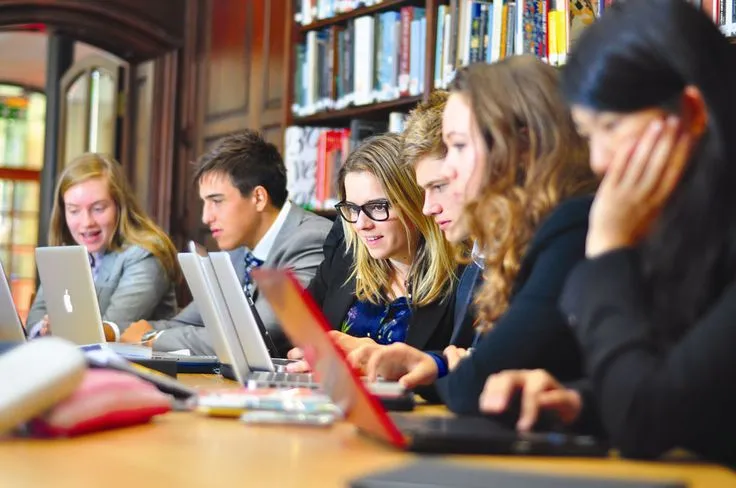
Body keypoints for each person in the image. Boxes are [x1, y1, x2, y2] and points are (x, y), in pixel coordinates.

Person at [480, 0, 736, 466]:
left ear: (692, 113)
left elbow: (647, 420)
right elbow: (692, 393)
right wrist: (581, 402)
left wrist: (606, 254)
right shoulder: (687, 221)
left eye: (612, 127)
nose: (598, 160)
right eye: (587, 133)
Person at [360, 57, 598, 418]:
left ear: (518, 145)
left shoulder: (571, 228)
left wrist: (455, 370)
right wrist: (440, 365)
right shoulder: (527, 237)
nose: (452, 170)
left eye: (458, 146)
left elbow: (476, 384)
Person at [120, 130, 332, 356]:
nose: (205, 217)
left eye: (216, 201)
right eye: (205, 203)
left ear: (258, 198)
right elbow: (190, 323)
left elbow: (257, 335)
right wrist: (113, 331)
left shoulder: (310, 239)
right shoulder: (240, 251)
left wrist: (152, 338)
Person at [288, 133, 459, 372]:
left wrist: (368, 352)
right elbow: (299, 330)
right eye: (352, 209)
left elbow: (465, 362)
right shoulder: (345, 253)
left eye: (378, 207)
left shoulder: (463, 274)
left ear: (415, 202)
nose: (360, 224)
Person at [27, 153, 178, 340]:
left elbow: (108, 331)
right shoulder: (66, 253)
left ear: (119, 206)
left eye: (98, 209)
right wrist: (44, 329)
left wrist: (61, 329)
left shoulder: (146, 255)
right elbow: (34, 321)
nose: (86, 222)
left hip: (134, 367)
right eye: (74, 210)